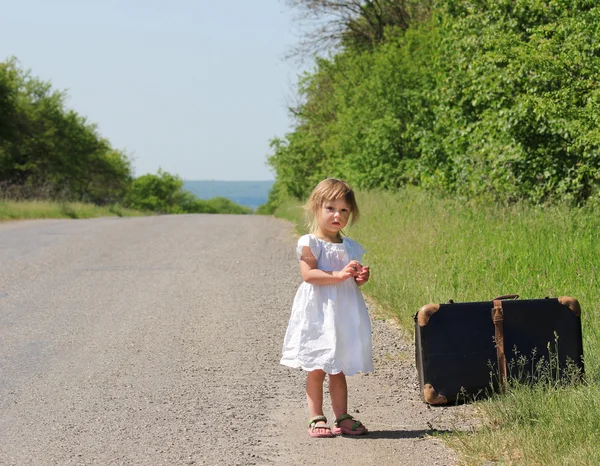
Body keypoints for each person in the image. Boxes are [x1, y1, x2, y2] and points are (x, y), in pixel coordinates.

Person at [280, 178, 372, 438]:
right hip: (318, 312)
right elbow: (309, 275)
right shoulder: (310, 242)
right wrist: (339, 275)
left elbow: (352, 279)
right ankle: (315, 416)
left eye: (344, 210)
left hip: (341, 311)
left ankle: (342, 417)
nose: (337, 215)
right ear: (316, 208)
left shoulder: (351, 245)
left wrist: (359, 277)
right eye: (331, 208)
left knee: (338, 365)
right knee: (317, 365)